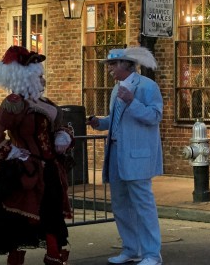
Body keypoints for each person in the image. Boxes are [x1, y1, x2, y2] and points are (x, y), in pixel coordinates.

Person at [0, 45, 75, 265]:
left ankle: (54, 256)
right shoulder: (15, 104)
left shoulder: (45, 104)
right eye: (39, 77)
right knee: (22, 220)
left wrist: (63, 136)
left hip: (50, 170)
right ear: (26, 79)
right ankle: (17, 260)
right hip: (25, 172)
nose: (43, 81)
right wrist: (10, 150)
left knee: (51, 216)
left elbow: (59, 126)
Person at [88, 47, 164, 265]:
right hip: (116, 154)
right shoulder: (116, 89)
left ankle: (152, 254)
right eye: (110, 65)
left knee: (143, 205)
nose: (110, 68)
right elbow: (116, 119)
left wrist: (132, 101)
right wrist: (99, 123)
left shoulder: (148, 86)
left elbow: (155, 116)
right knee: (120, 204)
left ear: (127, 64)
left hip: (137, 155)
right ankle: (131, 249)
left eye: (113, 64)